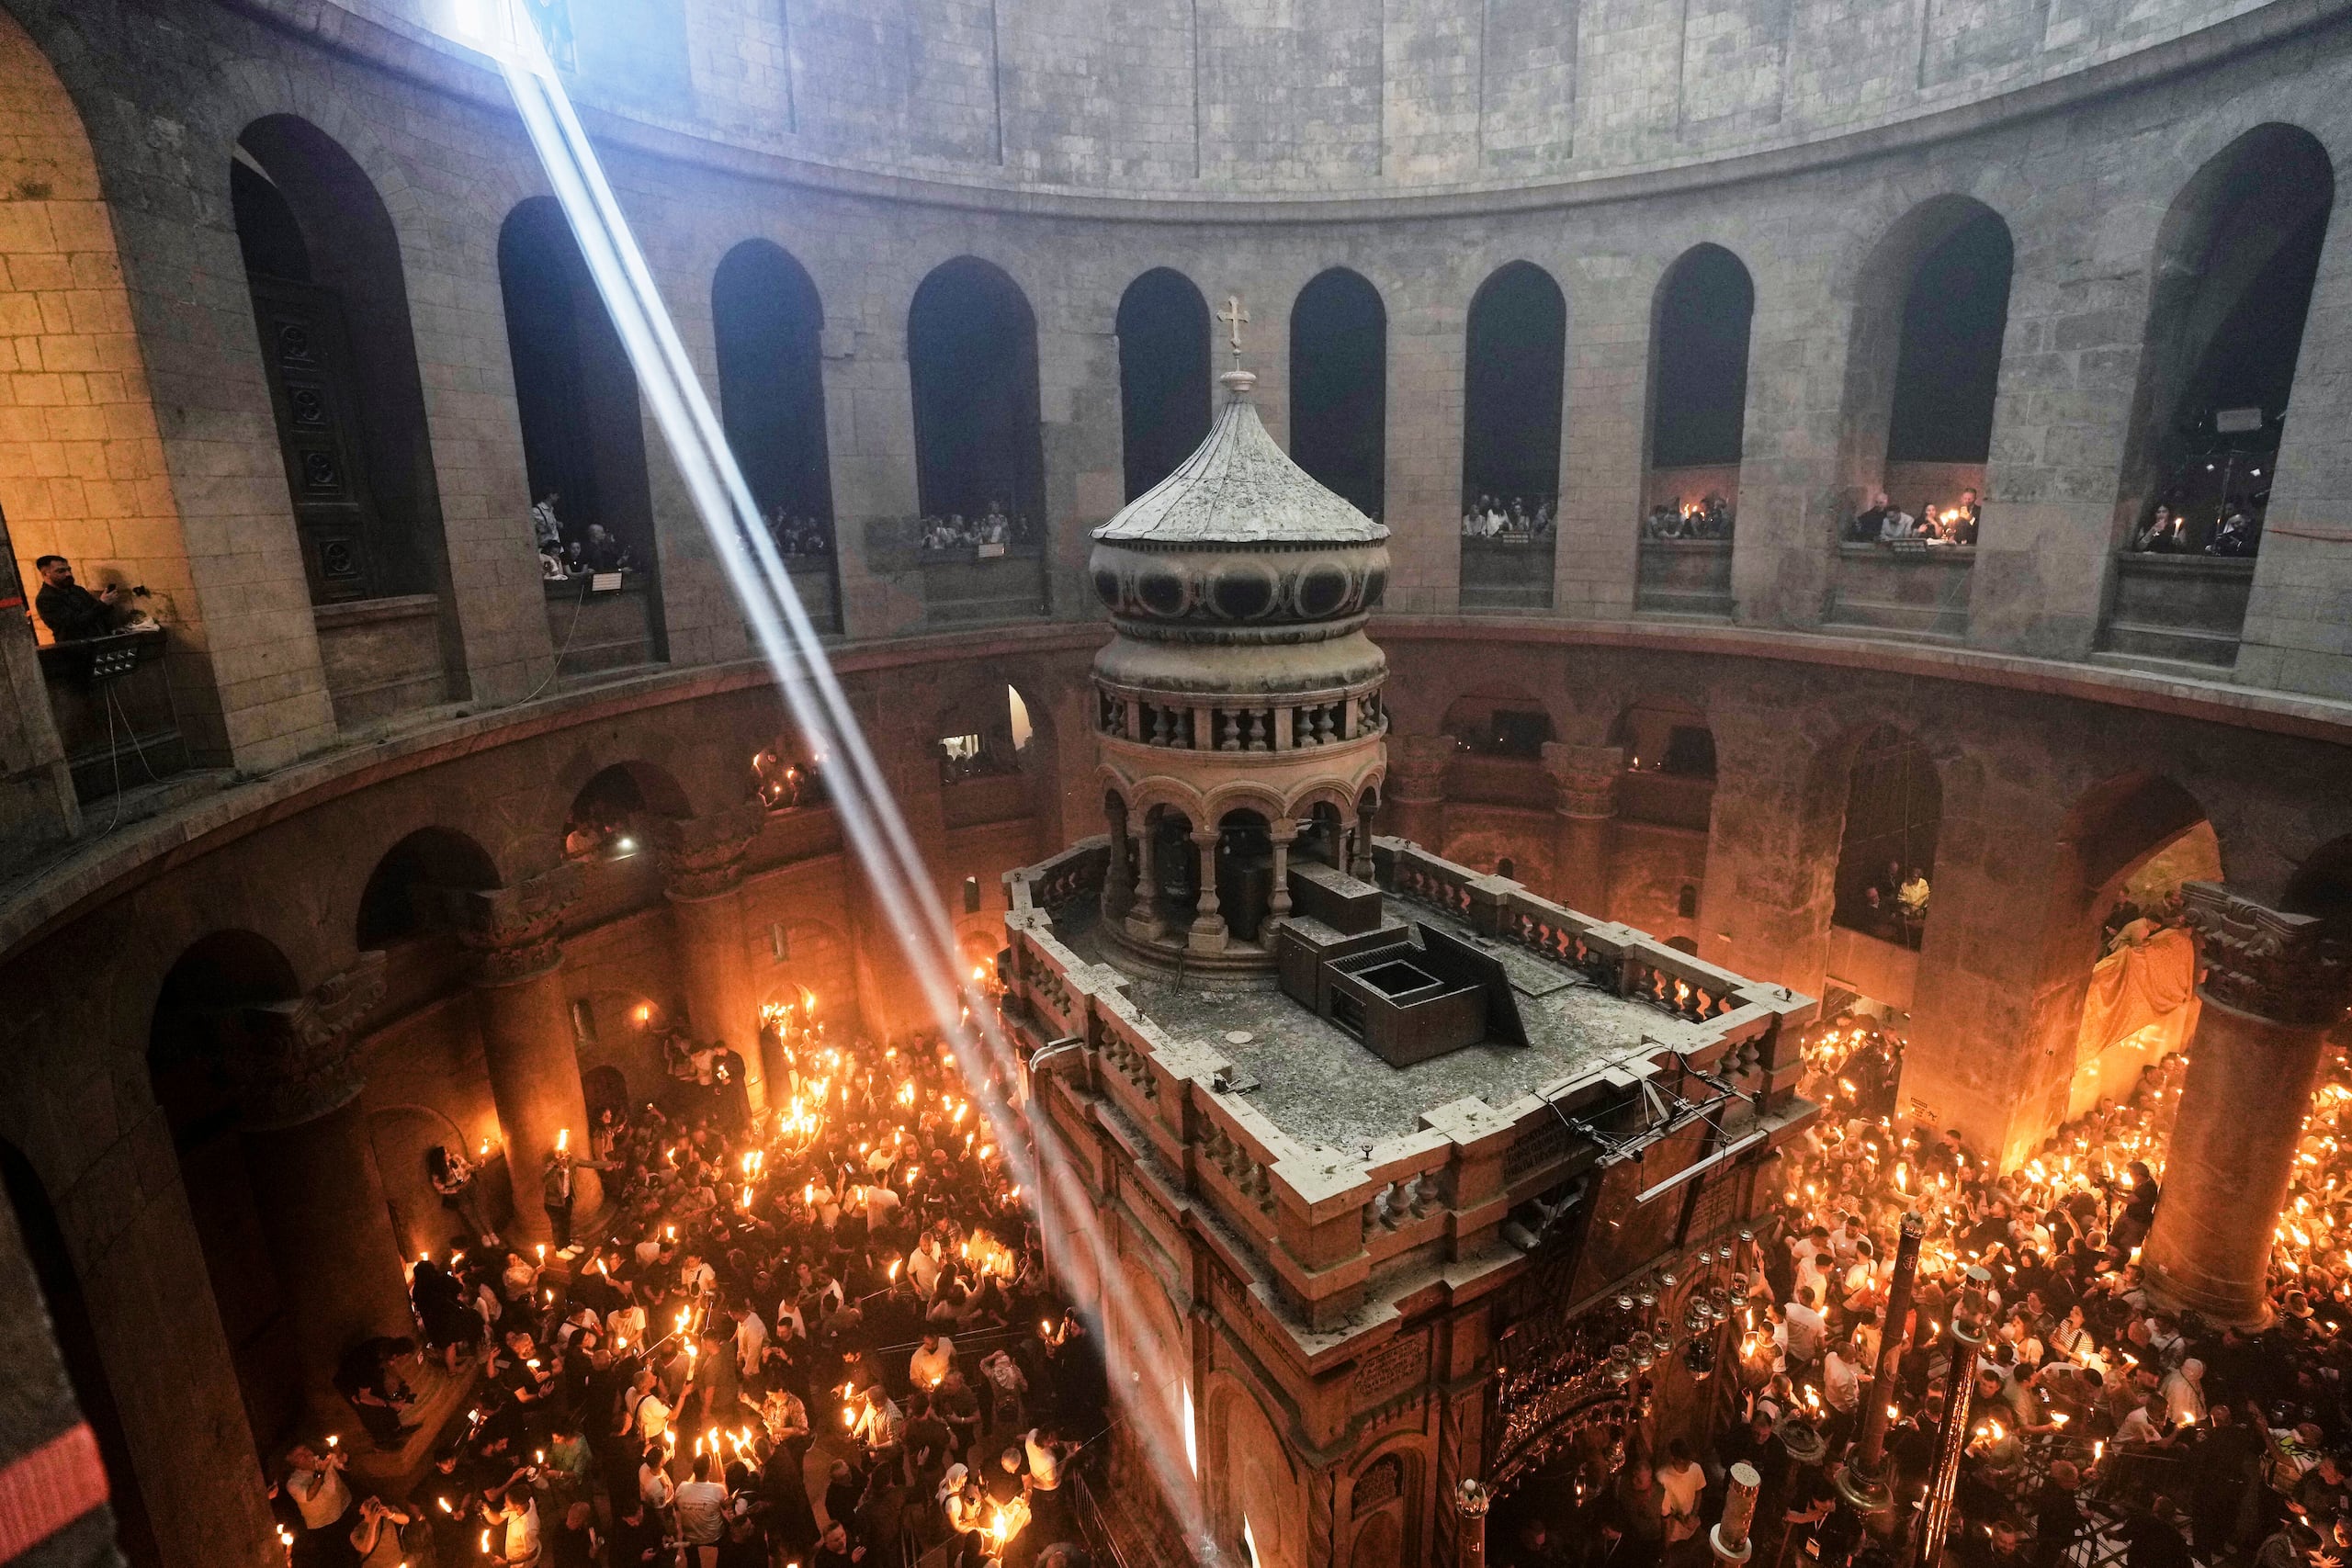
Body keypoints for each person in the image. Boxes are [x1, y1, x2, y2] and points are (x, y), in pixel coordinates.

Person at [32, 555, 128, 643]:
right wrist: (102, 604)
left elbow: (96, 613)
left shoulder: (77, 590)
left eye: (69, 570)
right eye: (61, 571)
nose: (68, 574)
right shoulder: (45, 599)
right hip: (77, 649)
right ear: (46, 574)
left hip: (99, 641)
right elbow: (73, 624)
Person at [674, 1452, 729, 1568]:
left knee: (687, 1543)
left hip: (690, 1536)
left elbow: (676, 1506)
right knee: (728, 1534)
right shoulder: (718, 1489)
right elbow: (726, 1506)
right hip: (714, 1536)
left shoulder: (681, 1488)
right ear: (709, 1469)